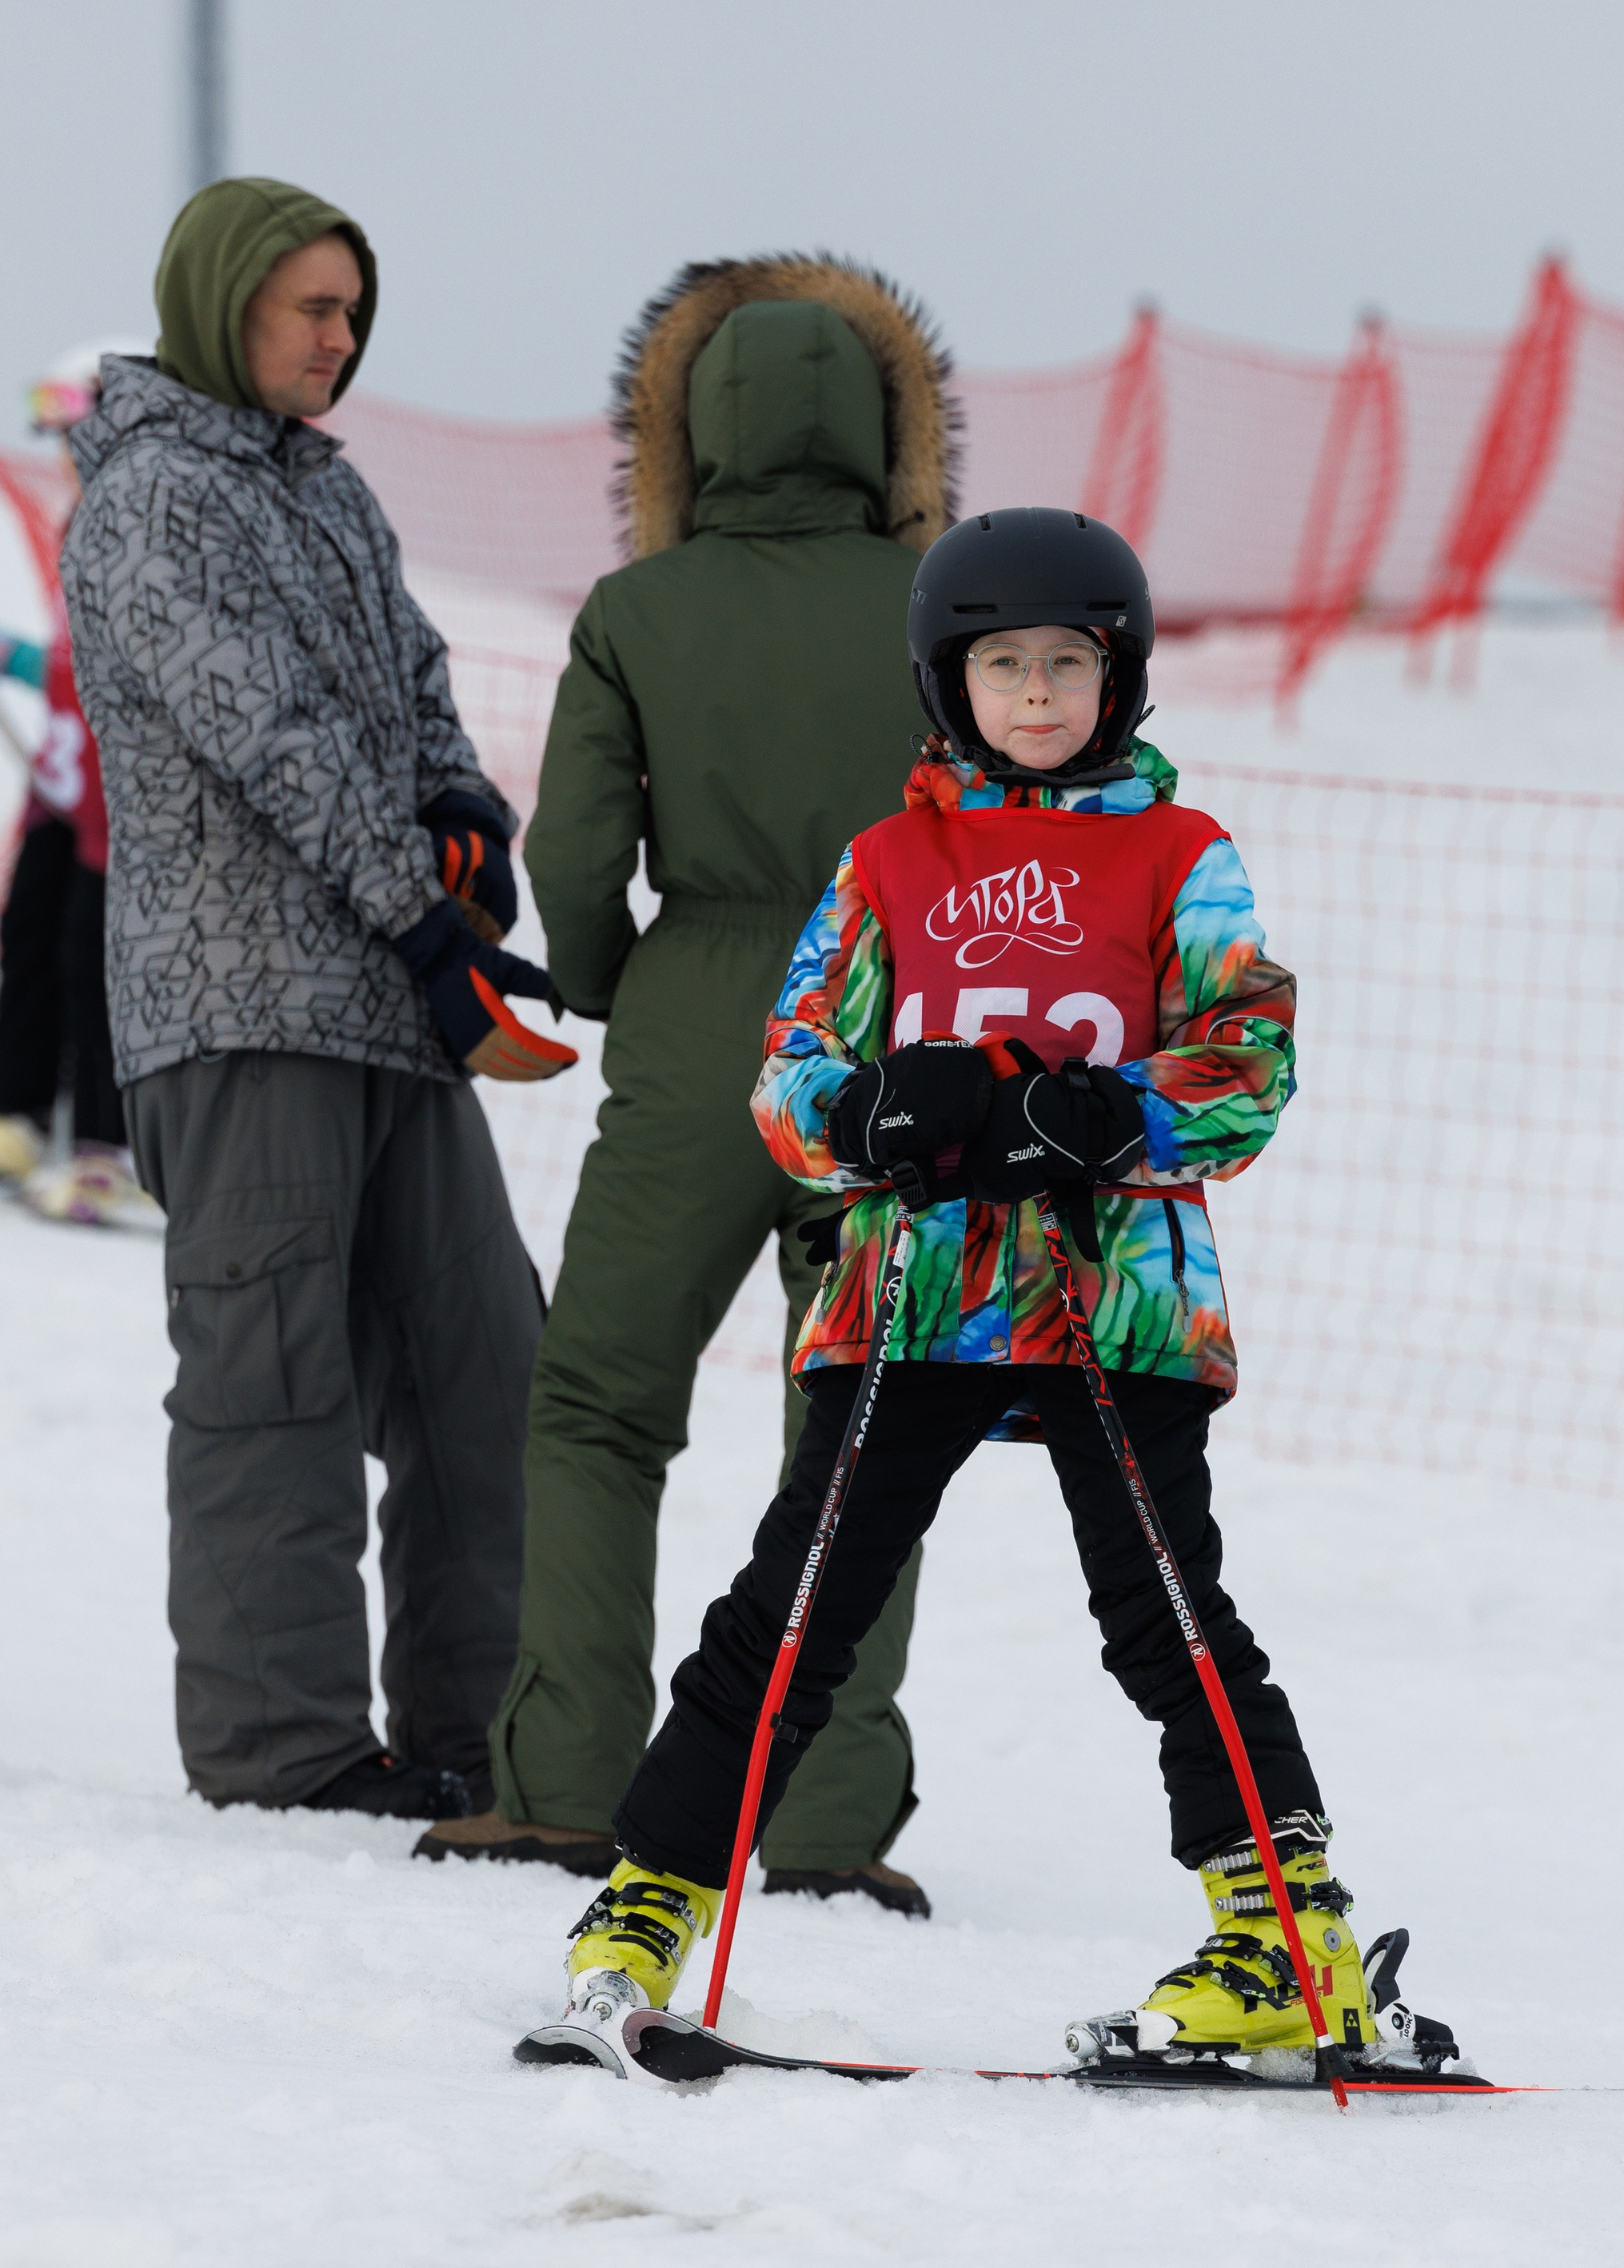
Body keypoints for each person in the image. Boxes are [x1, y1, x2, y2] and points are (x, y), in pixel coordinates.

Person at [516, 504, 1424, 2080]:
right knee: (793, 1607)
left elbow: (1245, 1058)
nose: (1033, 694)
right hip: (919, 1289)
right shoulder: (889, 860)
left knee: (1163, 1611)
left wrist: (1114, 1109)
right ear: (947, 681)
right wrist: (874, 1115)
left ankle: (1284, 1933)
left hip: (1108, 1289)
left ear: (1116, 678)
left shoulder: (1178, 852)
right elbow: (794, 1076)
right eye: (1001, 664)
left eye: (1066, 663)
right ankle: (641, 1910)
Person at [419, 258, 952, 1902]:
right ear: (877, 425)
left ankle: (568, 1778)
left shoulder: (639, 609)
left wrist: (598, 974)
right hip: (894, 1022)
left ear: (695, 428)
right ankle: (818, 1812)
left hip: (705, 1007)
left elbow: (575, 842)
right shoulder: (945, 600)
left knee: (596, 1401)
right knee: (855, 1416)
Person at [61, 177, 574, 1819]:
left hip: (383, 996)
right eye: (311, 308)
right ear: (226, 305)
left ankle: (477, 1723)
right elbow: (267, 735)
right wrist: (422, 922)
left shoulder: (330, 496)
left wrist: (467, 827)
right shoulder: (150, 498)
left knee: (485, 1358)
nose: (339, 339)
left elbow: (408, 689)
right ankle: (281, 1745)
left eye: (354, 312)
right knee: (272, 1379)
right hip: (237, 1004)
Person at [0, 345, 149, 1224]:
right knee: (27, 935)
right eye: (55, 437)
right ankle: (19, 1117)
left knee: (94, 961)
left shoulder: (145, 525)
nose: (62, 454)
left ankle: (109, 1146)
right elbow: (67, 662)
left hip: (119, 799)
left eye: (76, 432)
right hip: (59, 791)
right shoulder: (78, 522)